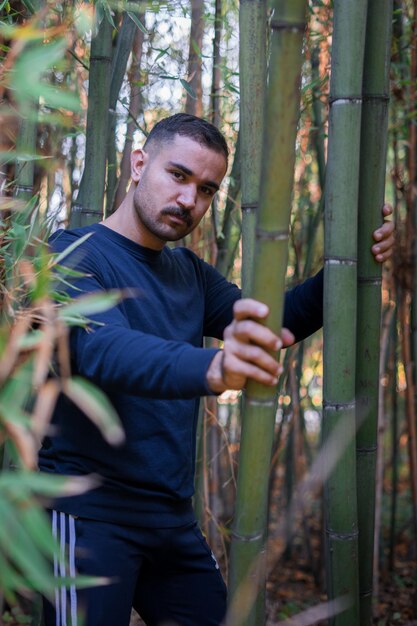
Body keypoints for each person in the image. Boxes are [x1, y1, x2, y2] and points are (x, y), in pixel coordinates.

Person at [39, 113, 394, 626]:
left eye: (207, 189)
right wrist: (214, 368)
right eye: (178, 176)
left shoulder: (190, 274)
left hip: (170, 517)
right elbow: (102, 348)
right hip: (88, 516)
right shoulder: (70, 255)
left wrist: (352, 261)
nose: (190, 201)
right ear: (139, 164)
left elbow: (274, 321)